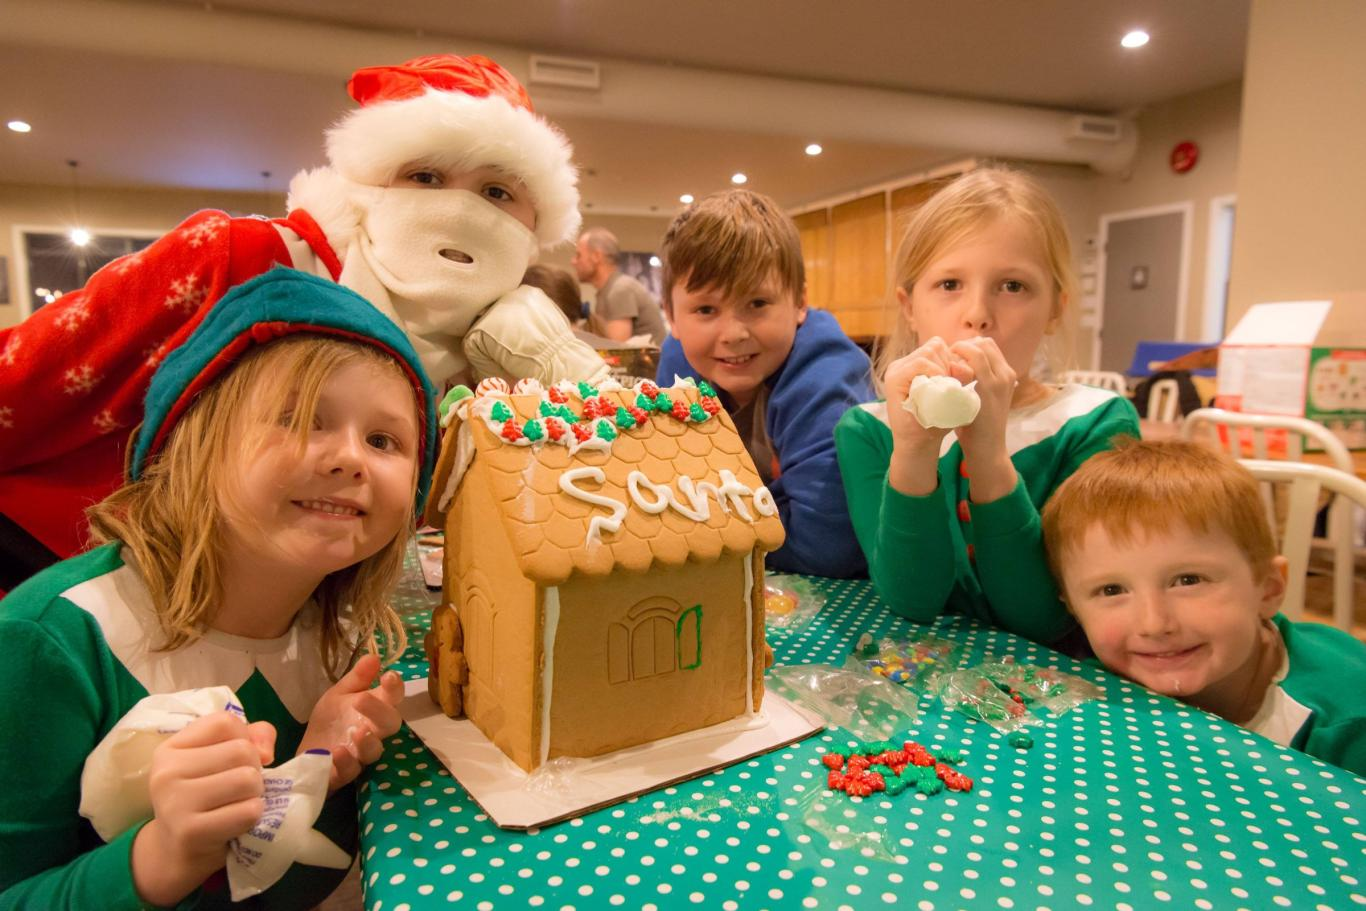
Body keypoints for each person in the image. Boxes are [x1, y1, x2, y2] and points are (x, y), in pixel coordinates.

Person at [0, 53, 607, 588]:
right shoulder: (236, 259)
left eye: (498, 192)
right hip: (66, 587)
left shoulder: (487, 354)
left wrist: (561, 366)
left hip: (272, 632)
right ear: (370, 183)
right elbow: (20, 383)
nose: (461, 209)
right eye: (425, 176)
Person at [0, 268, 439, 909]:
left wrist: (317, 764)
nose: (351, 458)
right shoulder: (50, 642)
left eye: (384, 440)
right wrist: (160, 856)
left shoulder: (347, 636)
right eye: (298, 419)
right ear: (191, 444)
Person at [835, 168, 1139, 644]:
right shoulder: (868, 430)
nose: (977, 313)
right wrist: (914, 451)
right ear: (910, 306)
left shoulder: (1094, 424)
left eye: (1013, 286)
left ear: (1055, 310)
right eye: (950, 284)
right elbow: (913, 600)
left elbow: (1042, 617)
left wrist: (989, 455)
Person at [1041, 440, 1366, 776]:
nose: (1153, 624)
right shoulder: (1100, 686)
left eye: (1188, 580)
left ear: (1268, 589)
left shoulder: (1348, 722)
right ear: (1073, 608)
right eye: (1112, 590)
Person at [656, 189, 873, 578]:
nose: (733, 333)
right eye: (706, 309)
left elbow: (827, 547)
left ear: (799, 302)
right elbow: (667, 497)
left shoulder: (824, 376)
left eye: (757, 303)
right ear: (671, 317)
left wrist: (707, 519)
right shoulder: (679, 363)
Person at [572, 227, 669, 345]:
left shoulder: (620, 290)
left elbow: (615, 349)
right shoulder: (609, 290)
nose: (573, 261)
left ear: (596, 256)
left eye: (578, 255)